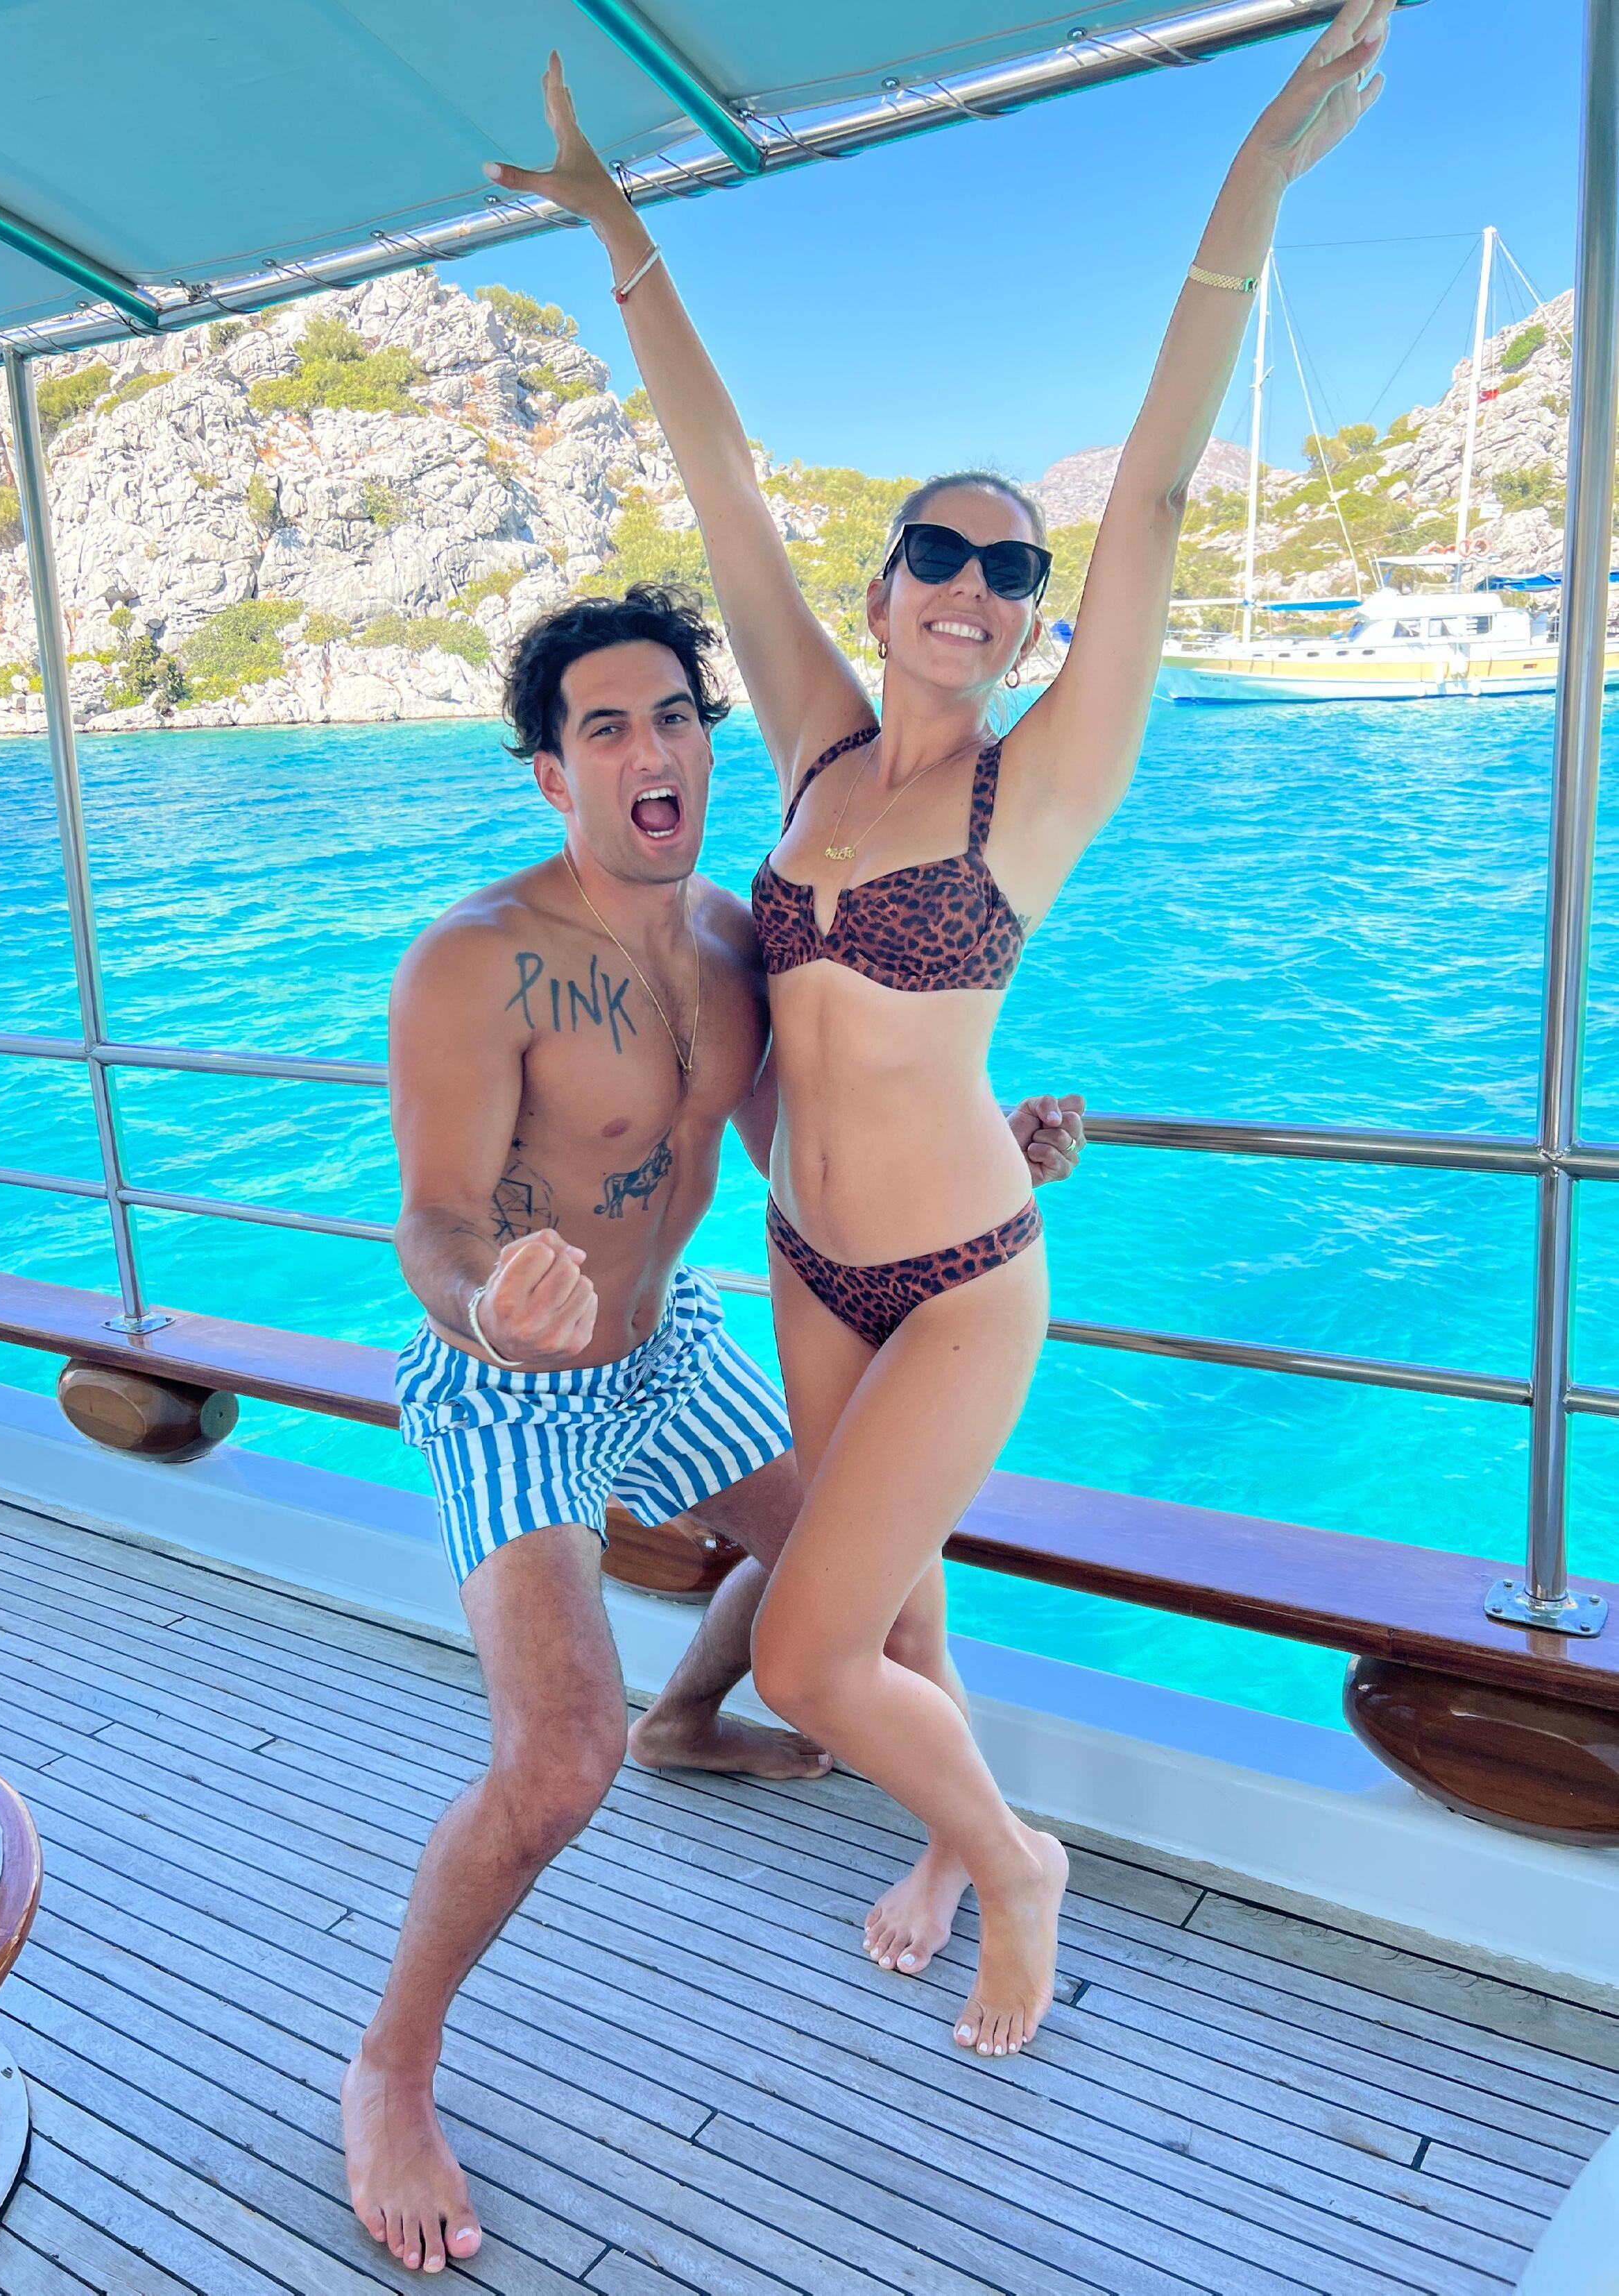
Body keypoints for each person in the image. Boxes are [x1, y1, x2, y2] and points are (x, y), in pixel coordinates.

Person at [488, 0, 1391, 2069]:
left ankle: (1017, 1860)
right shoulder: (811, 741)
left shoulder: (1040, 779)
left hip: (966, 1269)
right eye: (942, 552)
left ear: (1030, 613)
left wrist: (1250, 181)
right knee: (896, 1610)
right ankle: (937, 1841)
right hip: (809, 1259)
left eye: (1012, 567)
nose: (976, 583)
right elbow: (717, 477)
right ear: (886, 584)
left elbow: (1156, 492)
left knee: (814, 1656)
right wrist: (619, 227)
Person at [342, 581, 1086, 2273]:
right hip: (511, 1376)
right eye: (604, 727)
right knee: (557, 1758)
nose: (648, 749)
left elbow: (811, 1145)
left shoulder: (745, 944)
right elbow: (433, 1217)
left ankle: (713, 1726)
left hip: (670, 1342)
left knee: (880, 1583)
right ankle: (391, 2063)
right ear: (553, 772)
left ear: (705, 738)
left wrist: (991, 1148)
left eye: (672, 714)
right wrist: (491, 1305)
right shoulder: (474, 962)